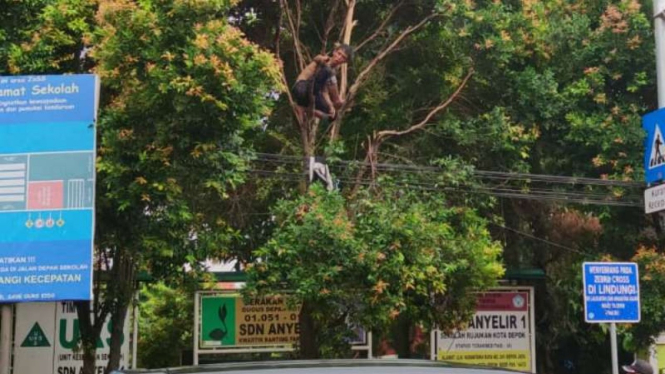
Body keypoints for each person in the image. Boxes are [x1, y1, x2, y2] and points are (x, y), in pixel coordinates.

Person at [292, 44, 353, 121]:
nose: (339, 57)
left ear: (345, 61)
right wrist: (321, 59)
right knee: (327, 70)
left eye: (343, 57)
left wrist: (330, 106)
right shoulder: (326, 60)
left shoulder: (332, 71)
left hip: (312, 94)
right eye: (339, 53)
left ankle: (304, 109)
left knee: (332, 116)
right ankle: (302, 108)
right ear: (334, 52)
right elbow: (318, 58)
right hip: (301, 87)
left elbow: (324, 90)